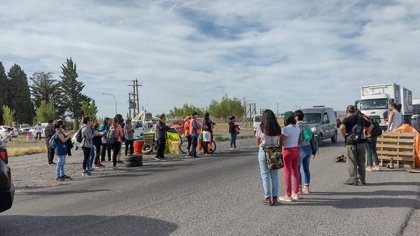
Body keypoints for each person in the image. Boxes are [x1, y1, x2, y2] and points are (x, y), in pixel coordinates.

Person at [339, 105, 373, 185]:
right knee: (361, 162)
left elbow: (341, 128)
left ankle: (354, 179)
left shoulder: (346, 119)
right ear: (354, 111)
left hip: (350, 143)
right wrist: (367, 131)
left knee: (351, 161)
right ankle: (363, 179)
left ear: (347, 112)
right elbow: (371, 125)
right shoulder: (360, 118)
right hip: (361, 143)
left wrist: (345, 136)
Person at [255, 109, 282, 205]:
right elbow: (280, 140)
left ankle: (267, 198)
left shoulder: (261, 128)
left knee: (265, 175)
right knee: (274, 175)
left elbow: (257, 142)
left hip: (264, 150)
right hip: (274, 151)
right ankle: (275, 197)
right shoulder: (278, 128)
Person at [279, 111, 301, 202]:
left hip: (287, 151)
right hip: (296, 149)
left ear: (286, 119)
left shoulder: (285, 129)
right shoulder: (297, 128)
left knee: (287, 172)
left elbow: (282, 142)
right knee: (295, 171)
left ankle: (287, 195)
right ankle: (295, 193)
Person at [295, 110, 313, 194]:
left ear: (297, 117)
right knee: (306, 168)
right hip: (308, 147)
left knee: (297, 169)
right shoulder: (307, 125)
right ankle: (307, 188)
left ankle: (299, 189)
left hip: (300, 148)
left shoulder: (297, 126)